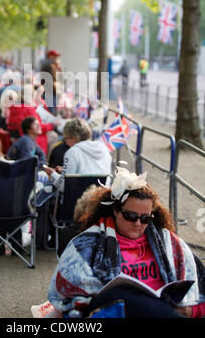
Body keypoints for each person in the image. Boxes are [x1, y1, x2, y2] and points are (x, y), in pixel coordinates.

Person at [47, 167, 205, 318]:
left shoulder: (170, 243)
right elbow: (66, 294)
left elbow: (198, 286)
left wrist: (192, 310)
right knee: (118, 295)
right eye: (130, 216)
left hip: (164, 307)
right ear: (116, 210)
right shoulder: (86, 244)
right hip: (114, 309)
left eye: (145, 218)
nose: (137, 223)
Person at [43, 117, 112, 193]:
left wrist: (52, 174)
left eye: (66, 138)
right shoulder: (104, 149)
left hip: (79, 201)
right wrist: (65, 170)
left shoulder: (72, 152)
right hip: (101, 199)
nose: (66, 142)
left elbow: (64, 187)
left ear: (74, 138)